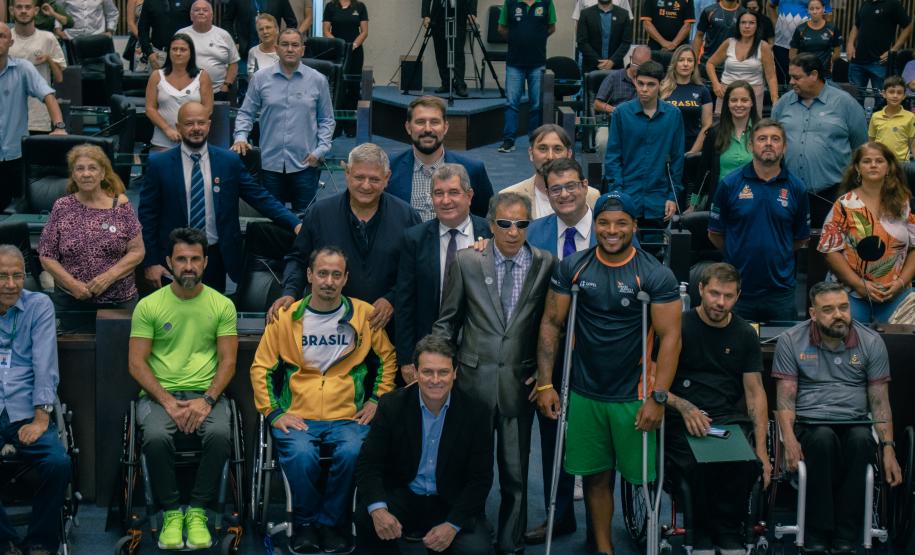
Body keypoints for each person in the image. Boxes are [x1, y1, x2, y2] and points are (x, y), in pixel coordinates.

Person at [536, 190, 682, 555]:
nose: (611, 231)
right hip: (585, 391)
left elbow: (671, 340)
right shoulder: (574, 267)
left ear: (634, 225)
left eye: (620, 223)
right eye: (603, 222)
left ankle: (646, 541)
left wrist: (658, 398)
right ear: (594, 224)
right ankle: (603, 549)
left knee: (641, 479)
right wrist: (545, 382)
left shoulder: (654, 274)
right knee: (595, 479)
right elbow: (551, 324)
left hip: (633, 396)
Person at [251, 246, 396, 554]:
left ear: (345, 279)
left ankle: (331, 523)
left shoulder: (364, 315)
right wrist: (274, 412)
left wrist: (376, 400)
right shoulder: (286, 317)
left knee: (354, 452)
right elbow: (261, 367)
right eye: (322, 273)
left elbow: (387, 359)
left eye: (336, 275)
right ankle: (304, 524)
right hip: (297, 413)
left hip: (347, 415)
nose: (328, 281)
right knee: (302, 455)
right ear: (309, 275)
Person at [433, 192, 554, 554]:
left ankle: (511, 540)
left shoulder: (546, 263)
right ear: (491, 223)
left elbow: (551, 326)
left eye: (521, 224)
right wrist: (440, 372)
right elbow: (447, 322)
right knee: (470, 468)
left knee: (516, 475)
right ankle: (470, 529)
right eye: (505, 223)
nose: (513, 231)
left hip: (519, 385)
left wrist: (543, 372)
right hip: (471, 384)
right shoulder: (468, 261)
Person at [127, 227, 237, 551]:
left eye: (194, 259)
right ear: (168, 262)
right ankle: (173, 512)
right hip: (160, 396)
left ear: (205, 262)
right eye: (181, 259)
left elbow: (228, 363)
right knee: (157, 436)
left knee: (219, 435)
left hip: (207, 395)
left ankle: (199, 511)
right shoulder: (148, 306)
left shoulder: (222, 305)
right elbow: (136, 364)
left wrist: (206, 401)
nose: (188, 266)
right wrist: (169, 402)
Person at [772, 281, 902, 554]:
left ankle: (846, 536)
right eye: (828, 310)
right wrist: (789, 440)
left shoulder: (871, 342)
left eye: (843, 307)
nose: (839, 315)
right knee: (822, 440)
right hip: (811, 422)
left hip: (855, 421)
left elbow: (880, 402)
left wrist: (888, 448)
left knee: (861, 442)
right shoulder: (791, 340)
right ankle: (817, 533)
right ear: (813, 314)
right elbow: (785, 399)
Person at [139, 101, 301, 293]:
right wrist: (151, 262)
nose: (196, 128)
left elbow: (260, 197)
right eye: (189, 124)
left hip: (215, 256)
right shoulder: (159, 164)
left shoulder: (228, 161)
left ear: (209, 125)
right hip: (174, 258)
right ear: (178, 127)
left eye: (201, 123)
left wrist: (294, 222)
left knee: (212, 314)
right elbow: (147, 217)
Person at [354, 334, 494, 555]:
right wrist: (379, 510)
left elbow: (481, 479)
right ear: (416, 373)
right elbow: (368, 464)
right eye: (427, 372)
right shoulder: (392, 405)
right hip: (404, 492)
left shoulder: (476, 412)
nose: (435, 380)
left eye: (443, 372)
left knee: (477, 550)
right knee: (367, 518)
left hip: (449, 499)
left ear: (455, 373)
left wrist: (452, 525)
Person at [665, 262, 769, 555]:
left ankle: (727, 531)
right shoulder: (678, 326)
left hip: (724, 417)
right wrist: (684, 407)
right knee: (697, 461)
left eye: (728, 296)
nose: (720, 302)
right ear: (700, 290)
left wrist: (762, 450)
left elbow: (755, 392)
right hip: (680, 415)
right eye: (714, 294)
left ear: (737, 296)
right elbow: (653, 382)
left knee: (745, 461)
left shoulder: (745, 334)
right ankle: (700, 531)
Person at [268, 143, 421, 331]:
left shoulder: (407, 216)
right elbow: (299, 260)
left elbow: (415, 270)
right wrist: (290, 293)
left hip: (388, 327)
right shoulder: (319, 213)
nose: (366, 185)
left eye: (374, 179)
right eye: (359, 177)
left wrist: (392, 299)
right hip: (328, 328)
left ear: (387, 178)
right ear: (347, 173)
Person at [523, 157, 596, 545]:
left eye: (571, 186)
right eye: (555, 188)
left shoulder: (612, 229)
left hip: (600, 356)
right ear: (546, 193)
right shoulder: (533, 232)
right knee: (553, 441)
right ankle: (560, 515)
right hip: (548, 353)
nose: (564, 194)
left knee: (598, 442)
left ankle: (600, 529)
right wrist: (538, 364)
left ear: (585, 186)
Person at [0, 245, 70, 555]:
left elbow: (45, 364)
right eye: (2, 276)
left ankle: (40, 541)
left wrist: (41, 418)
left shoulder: (38, 306)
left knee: (58, 463)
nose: (11, 284)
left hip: (26, 409)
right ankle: (6, 542)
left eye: (18, 275)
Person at [394, 164, 492, 384]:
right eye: (439, 193)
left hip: (480, 352)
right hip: (429, 351)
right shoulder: (414, 239)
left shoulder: (491, 234)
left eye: (453, 192)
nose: (445, 200)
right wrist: (407, 359)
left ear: (469, 196)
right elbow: (405, 303)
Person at [708, 118, 810, 321]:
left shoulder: (797, 188)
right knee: (736, 349)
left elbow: (800, 239)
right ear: (751, 145)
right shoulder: (730, 184)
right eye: (762, 139)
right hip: (737, 290)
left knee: (782, 350)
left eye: (775, 139)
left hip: (780, 292)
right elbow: (715, 234)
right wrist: (739, 252)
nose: (769, 143)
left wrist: (776, 252)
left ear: (785, 146)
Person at [232, 29, 334, 213]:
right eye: (285, 45)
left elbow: (327, 120)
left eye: (295, 45)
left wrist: (320, 150)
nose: (290, 49)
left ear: (302, 50)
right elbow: (246, 113)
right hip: (270, 163)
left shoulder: (318, 80)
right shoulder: (260, 78)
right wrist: (241, 137)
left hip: (305, 162)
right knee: (272, 220)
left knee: (305, 221)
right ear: (277, 49)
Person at [37, 144, 144, 311]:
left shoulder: (121, 205)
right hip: (71, 300)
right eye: (80, 169)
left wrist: (108, 277)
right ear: (73, 175)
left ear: (102, 173)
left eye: (92, 168)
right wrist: (72, 284)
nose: (86, 174)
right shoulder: (62, 206)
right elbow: (46, 255)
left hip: (118, 302)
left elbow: (137, 252)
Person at [818, 142, 915, 323]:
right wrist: (859, 285)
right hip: (851, 295)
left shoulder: (904, 204)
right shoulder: (844, 204)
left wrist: (900, 283)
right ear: (857, 168)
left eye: (879, 161)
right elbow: (830, 251)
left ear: (888, 168)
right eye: (867, 161)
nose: (873, 165)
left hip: (896, 295)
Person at [772, 53, 867, 225]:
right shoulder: (783, 104)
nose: (791, 82)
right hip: (787, 192)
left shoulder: (846, 104)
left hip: (833, 194)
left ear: (814, 75)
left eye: (796, 77)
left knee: (829, 247)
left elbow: (860, 149)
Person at [604, 60, 685, 229]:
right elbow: (613, 158)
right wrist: (617, 194)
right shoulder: (621, 113)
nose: (644, 89)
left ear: (661, 85)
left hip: (659, 198)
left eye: (650, 85)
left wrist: (672, 195)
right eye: (640, 83)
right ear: (635, 81)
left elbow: (678, 159)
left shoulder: (673, 115)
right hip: (627, 194)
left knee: (656, 252)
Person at [387, 96, 494, 220]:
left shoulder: (473, 170)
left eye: (435, 122)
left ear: (445, 127)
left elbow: (482, 215)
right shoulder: (389, 167)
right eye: (420, 122)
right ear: (408, 127)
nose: (427, 129)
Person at [0, 21, 67, 211]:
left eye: (2, 36)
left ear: (11, 42)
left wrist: (59, 127)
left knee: (16, 211)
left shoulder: (22, 69)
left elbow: (48, 96)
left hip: (15, 156)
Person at [503, 124, 600, 219]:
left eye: (557, 149)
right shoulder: (509, 196)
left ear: (569, 154)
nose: (550, 156)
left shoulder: (591, 196)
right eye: (543, 149)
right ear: (531, 153)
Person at [496, 0, 556, 154]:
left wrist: (535, 38)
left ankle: (535, 141)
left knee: (536, 105)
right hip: (514, 63)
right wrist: (518, 39)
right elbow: (501, 28)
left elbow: (551, 28)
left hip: (537, 62)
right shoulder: (510, 3)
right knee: (511, 103)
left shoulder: (546, 3)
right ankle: (508, 141)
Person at [691, 80, 759, 210]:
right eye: (734, 100)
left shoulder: (762, 133)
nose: (739, 104)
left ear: (752, 103)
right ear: (727, 103)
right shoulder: (714, 133)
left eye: (744, 100)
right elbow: (703, 171)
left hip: (754, 205)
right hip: (720, 204)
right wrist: (693, 204)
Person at [145, 33, 213, 151]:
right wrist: (167, 129)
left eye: (183, 50)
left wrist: (191, 130)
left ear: (190, 53)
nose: (178, 53)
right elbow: (150, 109)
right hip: (163, 141)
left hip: (195, 141)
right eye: (174, 49)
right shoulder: (156, 76)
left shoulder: (202, 76)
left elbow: (208, 108)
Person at [9, 0, 66, 133]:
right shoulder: (5, 38)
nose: (23, 11)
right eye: (19, 7)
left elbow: (59, 78)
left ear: (36, 10)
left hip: (39, 116)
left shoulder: (48, 38)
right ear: (12, 10)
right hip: (9, 117)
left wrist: (49, 60)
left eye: (28, 7)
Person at [706, 11, 778, 114]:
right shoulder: (729, 42)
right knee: (723, 127)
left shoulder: (763, 46)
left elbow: (771, 77)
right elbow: (710, 63)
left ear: (757, 26)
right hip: (727, 92)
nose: (747, 26)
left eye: (751, 23)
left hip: (753, 93)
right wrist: (716, 84)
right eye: (743, 23)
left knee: (750, 128)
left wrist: (775, 100)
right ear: (738, 25)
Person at [845, 0, 912, 108]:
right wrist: (850, 43)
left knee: (881, 101)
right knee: (854, 101)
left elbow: (908, 26)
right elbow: (856, 25)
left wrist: (894, 49)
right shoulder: (865, 4)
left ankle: (877, 125)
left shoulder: (893, 4)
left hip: (879, 62)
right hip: (857, 61)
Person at [591, 45, 650, 159]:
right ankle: (607, 173)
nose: (637, 69)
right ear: (631, 58)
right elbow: (597, 104)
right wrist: (616, 110)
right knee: (603, 141)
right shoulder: (614, 77)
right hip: (614, 122)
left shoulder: (651, 81)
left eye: (642, 66)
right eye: (635, 64)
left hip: (641, 122)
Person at [177, 0, 239, 98]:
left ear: (211, 15)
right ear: (191, 15)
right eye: (197, 10)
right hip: (187, 92)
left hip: (218, 92)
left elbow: (233, 62)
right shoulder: (181, 35)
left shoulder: (224, 35)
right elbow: (173, 63)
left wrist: (227, 85)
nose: (201, 12)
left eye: (205, 10)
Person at [323, 0, 368, 135]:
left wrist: (353, 45)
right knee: (337, 87)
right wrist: (340, 45)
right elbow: (326, 30)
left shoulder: (360, 6)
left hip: (355, 51)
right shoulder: (330, 6)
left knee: (353, 87)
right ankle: (336, 126)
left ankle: (351, 126)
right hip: (336, 51)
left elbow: (364, 32)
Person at [660, 45, 713, 154]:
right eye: (681, 60)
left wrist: (694, 151)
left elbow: (707, 125)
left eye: (689, 60)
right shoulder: (661, 88)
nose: (685, 64)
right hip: (665, 147)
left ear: (694, 65)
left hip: (692, 146)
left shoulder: (703, 91)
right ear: (674, 63)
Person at [768, 0, 832, 84]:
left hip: (808, 46)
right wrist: (776, 24)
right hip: (781, 44)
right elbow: (770, 5)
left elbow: (827, 16)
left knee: (807, 79)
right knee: (782, 80)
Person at [421, 0, 474, 97]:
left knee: (458, 51)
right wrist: (426, 15)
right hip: (438, 13)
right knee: (440, 51)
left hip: (459, 13)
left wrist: (472, 12)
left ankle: (460, 85)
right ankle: (446, 83)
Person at [787, 0, 841, 80]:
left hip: (825, 75)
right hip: (805, 74)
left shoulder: (832, 28)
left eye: (817, 8)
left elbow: (837, 52)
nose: (815, 11)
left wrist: (829, 62)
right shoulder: (800, 29)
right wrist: (800, 68)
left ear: (823, 9)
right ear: (808, 11)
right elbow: (792, 54)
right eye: (811, 9)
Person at [575, 0, 632, 74]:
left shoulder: (624, 14)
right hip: (591, 68)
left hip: (616, 68)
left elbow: (626, 42)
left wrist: (612, 61)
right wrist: (598, 62)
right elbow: (581, 42)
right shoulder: (585, 14)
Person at [868, 76, 915, 163]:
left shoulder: (910, 117)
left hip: (901, 165)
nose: (895, 95)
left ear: (904, 96)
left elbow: (913, 145)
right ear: (884, 94)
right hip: (880, 163)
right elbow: (871, 142)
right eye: (891, 92)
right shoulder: (875, 116)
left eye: (899, 93)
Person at [692, 0, 744, 76]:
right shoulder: (709, 11)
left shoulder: (744, 13)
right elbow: (699, 36)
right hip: (708, 64)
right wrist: (694, 63)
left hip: (733, 67)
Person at [137, 0, 191, 70]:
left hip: (183, 54)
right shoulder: (150, 1)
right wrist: (149, 53)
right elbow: (142, 29)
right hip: (158, 55)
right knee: (157, 80)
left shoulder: (189, 1)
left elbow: (195, 26)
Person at [640, 0, 694, 66]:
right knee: (654, 74)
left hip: (680, 49)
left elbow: (687, 25)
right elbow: (647, 23)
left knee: (678, 75)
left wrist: (673, 44)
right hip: (656, 49)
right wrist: (663, 43)